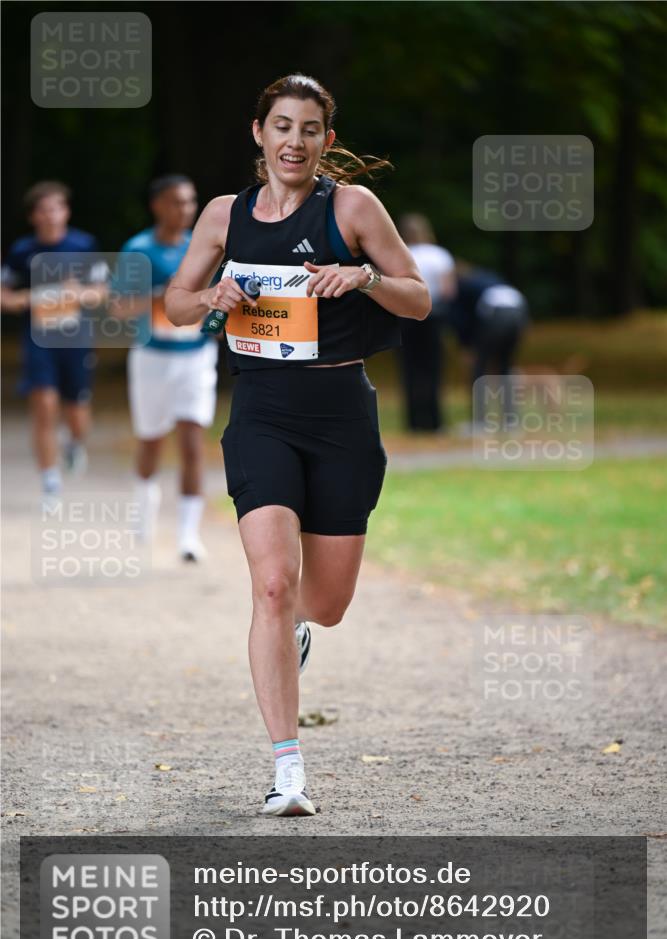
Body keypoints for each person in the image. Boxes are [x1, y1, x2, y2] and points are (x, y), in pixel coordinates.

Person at [165, 74, 430, 816]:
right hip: (263, 414)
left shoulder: (350, 208)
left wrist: (366, 275)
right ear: (259, 133)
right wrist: (210, 297)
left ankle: (300, 634)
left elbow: (418, 296)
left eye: (309, 129)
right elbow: (177, 303)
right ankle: (288, 773)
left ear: (326, 141)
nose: (293, 141)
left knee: (326, 602)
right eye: (281, 126)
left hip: (343, 416)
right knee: (273, 584)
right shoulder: (223, 216)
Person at [112, 175, 218, 561]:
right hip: (152, 357)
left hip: (196, 356)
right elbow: (119, 307)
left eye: (190, 202)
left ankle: (188, 537)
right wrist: (163, 298)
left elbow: (217, 301)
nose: (186, 209)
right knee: (152, 440)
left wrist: (212, 323)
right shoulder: (138, 250)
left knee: (192, 443)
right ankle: (143, 515)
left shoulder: (203, 247)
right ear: (157, 205)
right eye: (177, 202)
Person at [0, 181, 106, 507]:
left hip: (75, 339)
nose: (50, 215)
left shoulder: (83, 245)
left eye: (56, 208)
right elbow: (5, 295)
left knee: (76, 411)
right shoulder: (22, 251)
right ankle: (50, 483)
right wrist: (27, 298)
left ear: (66, 212)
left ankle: (75, 443)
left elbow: (102, 291)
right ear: (33, 216)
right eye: (43, 209)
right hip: (39, 340)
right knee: (44, 406)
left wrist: (79, 294)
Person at [447, 266, 529, 430]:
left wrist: (465, 345)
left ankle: (480, 422)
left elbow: (461, 318)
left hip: (496, 315)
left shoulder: (462, 286)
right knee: (505, 368)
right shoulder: (489, 276)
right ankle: (510, 421)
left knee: (479, 369)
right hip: (519, 311)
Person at [397, 214, 456, 431]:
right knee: (433, 368)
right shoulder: (440, 255)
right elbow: (448, 291)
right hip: (433, 315)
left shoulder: (402, 254)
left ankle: (413, 421)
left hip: (405, 315)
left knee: (409, 368)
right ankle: (434, 420)